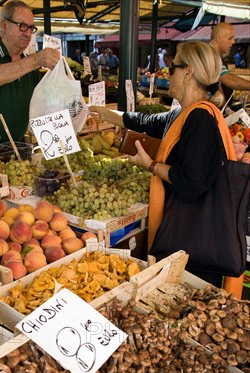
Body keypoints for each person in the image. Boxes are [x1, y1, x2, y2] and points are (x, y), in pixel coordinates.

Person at [90, 41, 243, 298]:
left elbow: (191, 182)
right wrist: (104, 113)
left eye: (172, 68)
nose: (167, 73)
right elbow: (144, 121)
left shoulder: (201, 120)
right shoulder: (181, 114)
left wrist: (150, 165)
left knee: (192, 302)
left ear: (188, 72)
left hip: (198, 242)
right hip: (187, 233)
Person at [0, 0, 60, 145]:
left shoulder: (28, 64)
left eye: (31, 28)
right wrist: (36, 60)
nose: (28, 33)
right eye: (22, 26)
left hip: (18, 144)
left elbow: (43, 99)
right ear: (5, 25)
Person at [210, 22, 250, 103]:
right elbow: (228, 80)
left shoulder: (214, 55)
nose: (233, 42)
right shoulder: (209, 55)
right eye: (230, 38)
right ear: (218, 39)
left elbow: (218, 83)